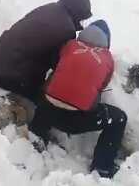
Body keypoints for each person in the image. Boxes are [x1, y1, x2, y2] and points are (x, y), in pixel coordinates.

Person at [29, 20, 128, 178]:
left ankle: (36, 134)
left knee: (49, 92)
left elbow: (57, 66)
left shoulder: (69, 45)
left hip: (47, 111)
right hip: (78, 121)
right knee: (119, 118)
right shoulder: (107, 58)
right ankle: (102, 166)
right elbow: (101, 87)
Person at [0, 0, 92, 102]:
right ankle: (17, 109)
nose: (82, 21)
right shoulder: (67, 29)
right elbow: (59, 66)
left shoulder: (50, 7)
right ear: (78, 12)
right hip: (10, 76)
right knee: (47, 102)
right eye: (82, 17)